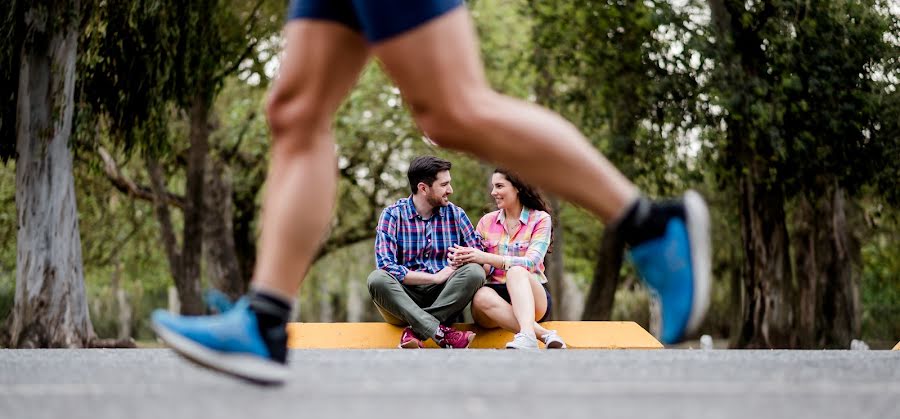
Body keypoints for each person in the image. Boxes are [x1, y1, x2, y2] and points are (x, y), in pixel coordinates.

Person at [151, 0, 711, 384]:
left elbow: (478, 260)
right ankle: (265, 320)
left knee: (453, 109)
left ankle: (652, 225)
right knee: (295, 110)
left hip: (451, 290)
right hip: (416, 293)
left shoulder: (461, 216)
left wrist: (460, 268)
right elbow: (386, 267)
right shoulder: (398, 213)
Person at [366, 155, 484, 349]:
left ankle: (417, 331)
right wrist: (435, 278)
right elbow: (386, 265)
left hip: (444, 297)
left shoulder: (456, 214)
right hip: (403, 299)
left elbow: (479, 254)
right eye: (444, 184)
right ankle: (440, 332)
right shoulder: (392, 215)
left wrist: (463, 258)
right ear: (423, 188)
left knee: (475, 272)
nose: (450, 190)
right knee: (377, 279)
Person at [448, 168, 565, 350]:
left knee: (517, 271)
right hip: (492, 302)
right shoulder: (486, 221)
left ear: (517, 187)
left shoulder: (540, 219)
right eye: (493, 186)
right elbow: (484, 268)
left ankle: (527, 335)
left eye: (499, 186)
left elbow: (531, 262)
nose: (493, 192)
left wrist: (485, 256)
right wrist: (465, 258)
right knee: (479, 296)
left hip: (532, 296)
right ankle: (540, 334)